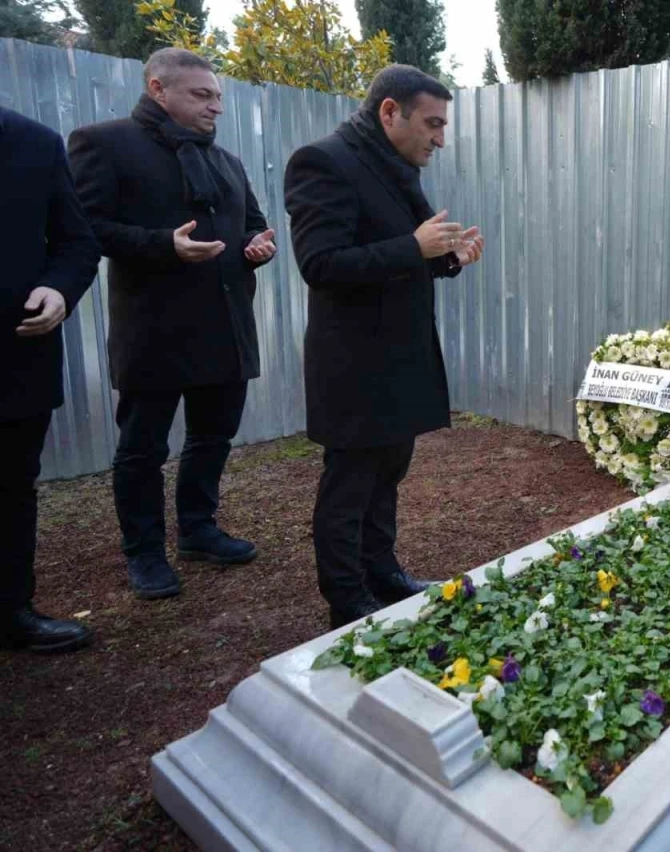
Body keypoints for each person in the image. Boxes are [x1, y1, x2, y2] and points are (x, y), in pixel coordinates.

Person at [68, 48, 277, 600]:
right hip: (155, 327)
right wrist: (163, 246)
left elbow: (254, 224)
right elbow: (85, 227)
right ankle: (143, 553)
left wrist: (259, 245)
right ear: (159, 90)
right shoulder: (104, 143)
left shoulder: (224, 160)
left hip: (225, 322)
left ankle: (198, 530)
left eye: (218, 97)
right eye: (202, 95)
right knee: (143, 447)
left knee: (213, 436)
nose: (216, 108)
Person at [284, 65, 484, 628]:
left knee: (387, 476)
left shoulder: (394, 164)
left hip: (400, 355)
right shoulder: (322, 162)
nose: (441, 139)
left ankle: (383, 573)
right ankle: (346, 601)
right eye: (434, 123)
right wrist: (413, 248)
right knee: (349, 487)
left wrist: (448, 257)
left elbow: (409, 250)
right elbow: (320, 265)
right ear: (389, 113)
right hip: (352, 363)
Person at [1, 107, 102, 652]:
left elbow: (76, 243)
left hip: (15, 352)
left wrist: (59, 289)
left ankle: (12, 610)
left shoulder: (32, 143)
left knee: (13, 488)